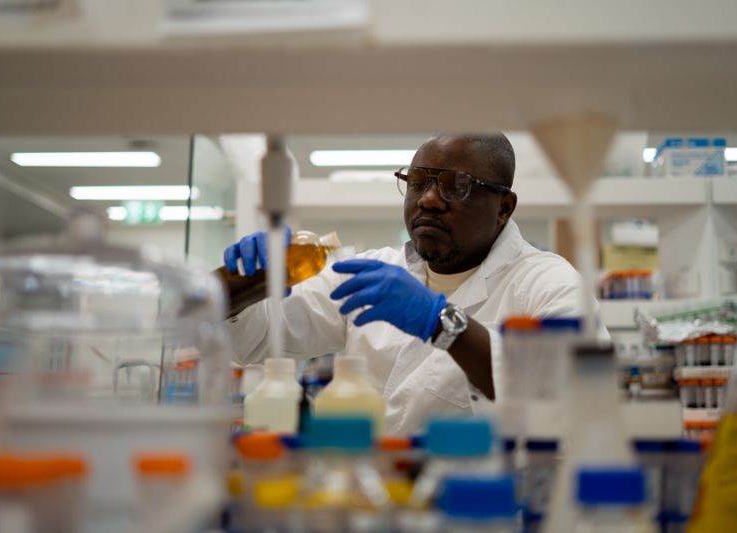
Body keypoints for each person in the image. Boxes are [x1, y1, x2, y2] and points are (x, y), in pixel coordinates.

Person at [224, 132, 604, 435]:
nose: (430, 200)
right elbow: (257, 339)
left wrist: (442, 323)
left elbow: (577, 391)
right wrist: (246, 281)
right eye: (418, 182)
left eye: (456, 186)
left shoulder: (547, 282)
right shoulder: (374, 272)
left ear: (504, 207)